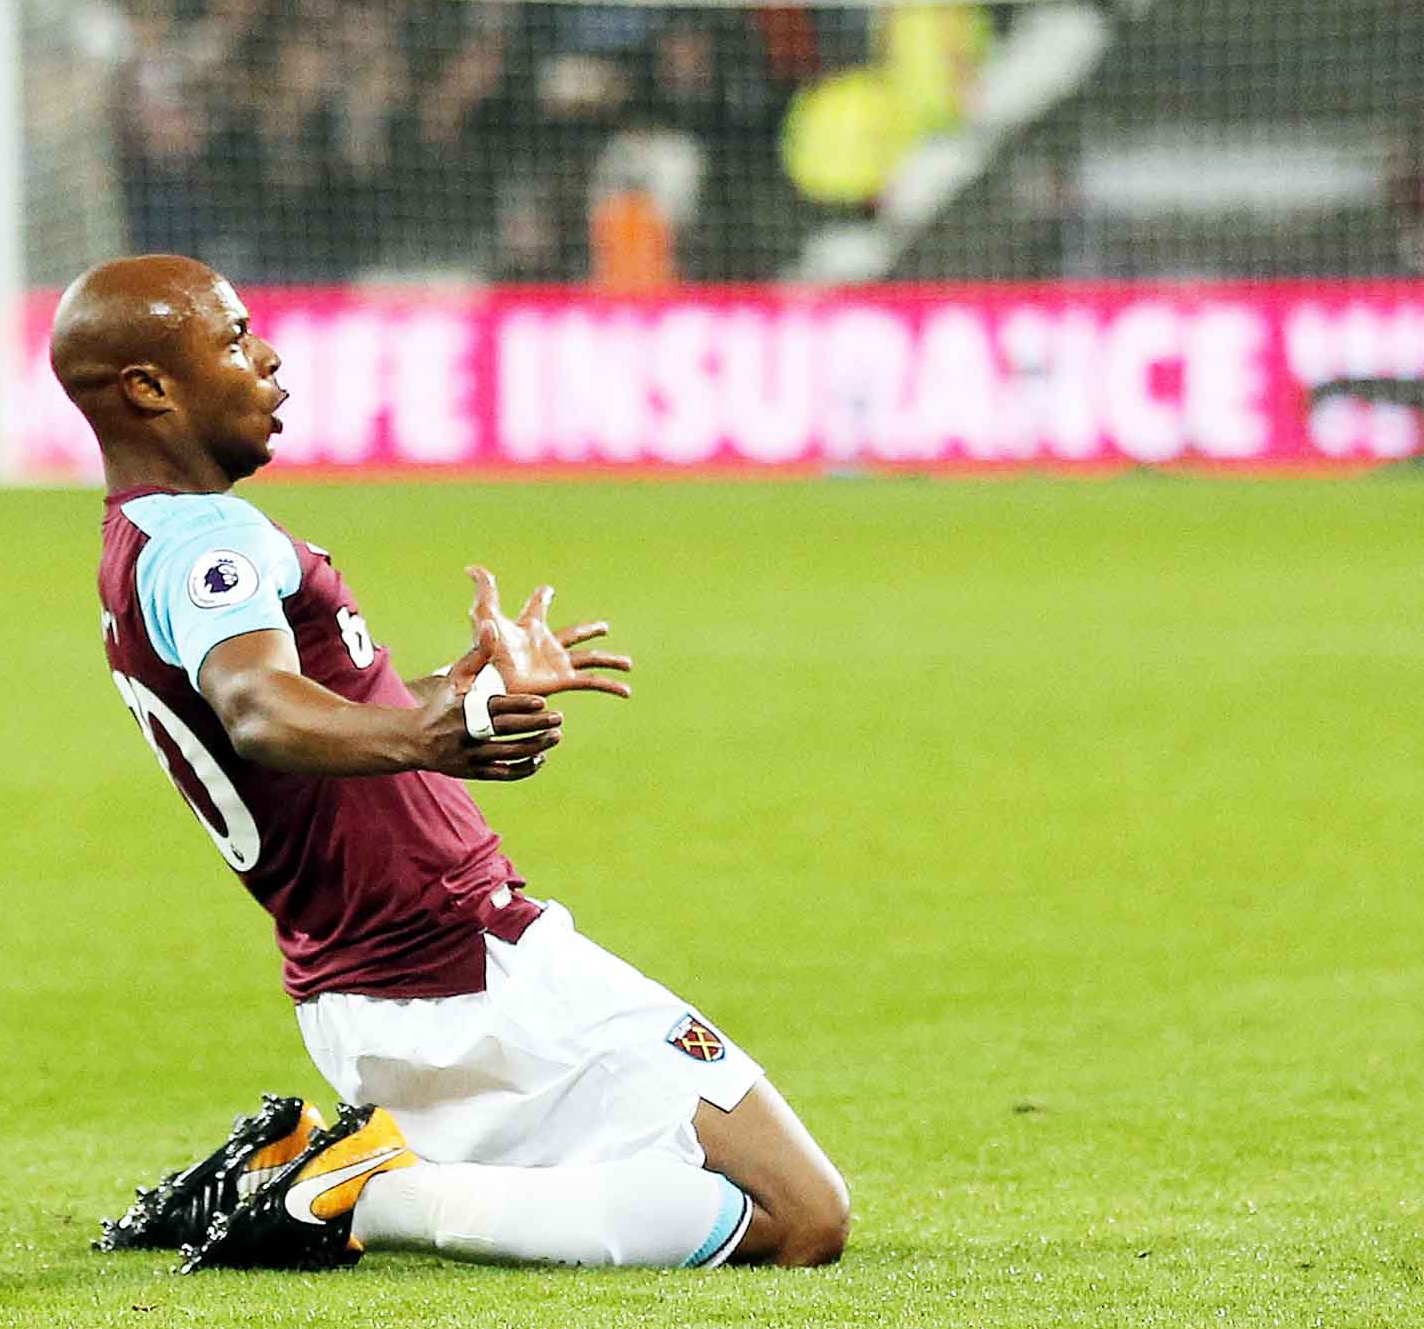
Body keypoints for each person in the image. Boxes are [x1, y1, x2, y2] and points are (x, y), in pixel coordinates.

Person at [52, 254, 849, 1272]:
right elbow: (260, 711)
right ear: (149, 388)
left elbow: (306, 712)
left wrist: (455, 692)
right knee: (799, 1212)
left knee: (642, 1177)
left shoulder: (141, 543)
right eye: (236, 338)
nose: (270, 358)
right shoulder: (209, 542)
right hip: (461, 962)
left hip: (362, 985)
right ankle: (359, 1195)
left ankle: (305, 1165)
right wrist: (432, 736)